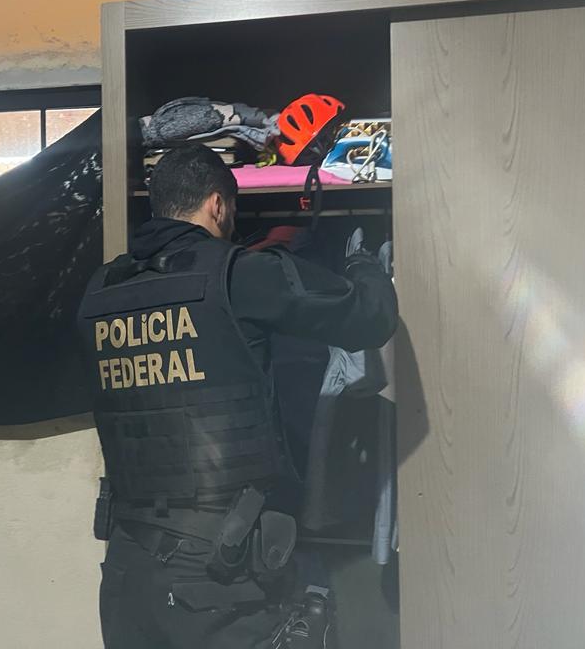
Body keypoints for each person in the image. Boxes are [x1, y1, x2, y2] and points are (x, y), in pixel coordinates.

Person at [78, 145, 398, 648]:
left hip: (126, 567)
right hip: (215, 571)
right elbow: (370, 318)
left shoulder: (101, 291)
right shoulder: (237, 274)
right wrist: (362, 262)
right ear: (217, 205)